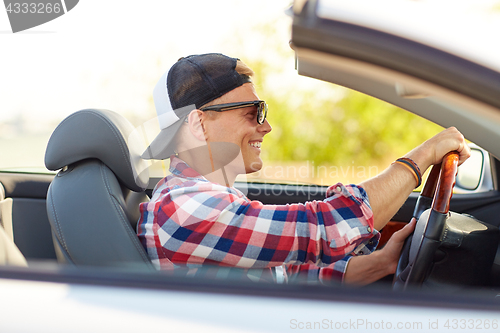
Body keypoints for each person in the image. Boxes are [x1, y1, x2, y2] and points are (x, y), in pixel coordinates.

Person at [137, 53, 470, 285]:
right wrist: (421, 157)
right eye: (253, 112)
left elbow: (286, 274)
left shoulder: (205, 200)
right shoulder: (186, 208)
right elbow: (327, 227)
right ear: (199, 123)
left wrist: (381, 263)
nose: (265, 127)